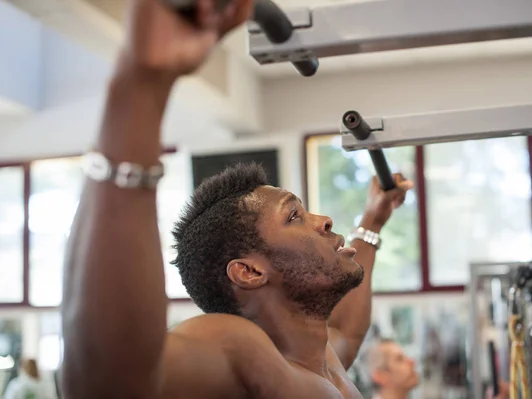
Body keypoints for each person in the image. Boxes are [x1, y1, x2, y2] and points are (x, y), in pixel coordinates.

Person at [59, 1, 414, 398]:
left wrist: (372, 222)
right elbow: (107, 386)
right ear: (249, 272)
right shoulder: (240, 350)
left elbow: (349, 328)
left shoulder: (323, 359)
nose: (325, 219)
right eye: (294, 216)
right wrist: (141, 85)